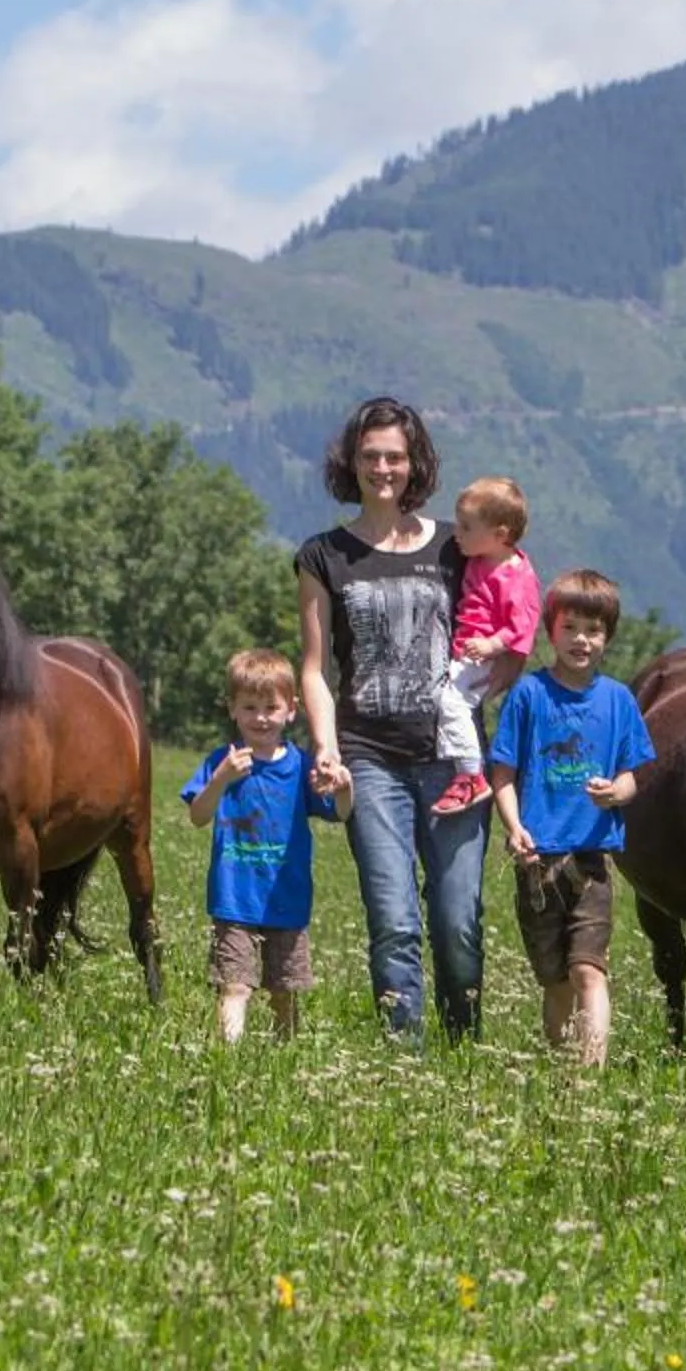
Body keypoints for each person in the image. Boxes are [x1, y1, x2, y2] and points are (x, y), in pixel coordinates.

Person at [295, 396, 491, 1043]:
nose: (383, 468)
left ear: (416, 463)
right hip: (368, 758)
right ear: (351, 462)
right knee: (394, 919)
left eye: (395, 457)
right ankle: (401, 1059)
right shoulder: (323, 555)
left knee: (457, 918)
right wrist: (324, 747)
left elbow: (506, 624)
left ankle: (463, 1047)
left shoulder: (456, 548)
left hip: (452, 762)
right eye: (371, 456)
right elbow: (315, 666)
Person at [487, 569, 653, 1065]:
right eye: (570, 627)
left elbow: (633, 776)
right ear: (550, 629)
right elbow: (503, 774)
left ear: (608, 637)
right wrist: (514, 827)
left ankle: (591, 1072)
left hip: (591, 862)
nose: (581, 639)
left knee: (589, 970)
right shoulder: (528, 696)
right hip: (537, 862)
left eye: (594, 630)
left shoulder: (619, 701)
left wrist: (616, 793)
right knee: (554, 980)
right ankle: (561, 1065)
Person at [184, 648, 350, 1043]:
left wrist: (346, 787)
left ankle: (285, 1056)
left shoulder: (301, 765)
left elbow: (339, 813)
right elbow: (198, 815)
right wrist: (221, 779)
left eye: (271, 707)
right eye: (250, 707)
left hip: (287, 900)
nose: (261, 717)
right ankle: (228, 1060)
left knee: (284, 991)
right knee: (235, 986)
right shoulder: (221, 761)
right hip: (234, 900)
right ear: (232, 710)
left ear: (291, 710)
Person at [429, 475, 543, 817]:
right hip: (469, 648)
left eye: (466, 527)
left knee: (452, 704)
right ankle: (463, 769)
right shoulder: (481, 560)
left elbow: (522, 624)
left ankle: (471, 775)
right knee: (448, 700)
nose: (456, 533)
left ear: (500, 535)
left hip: (483, 653)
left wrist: (493, 645)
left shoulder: (515, 575)